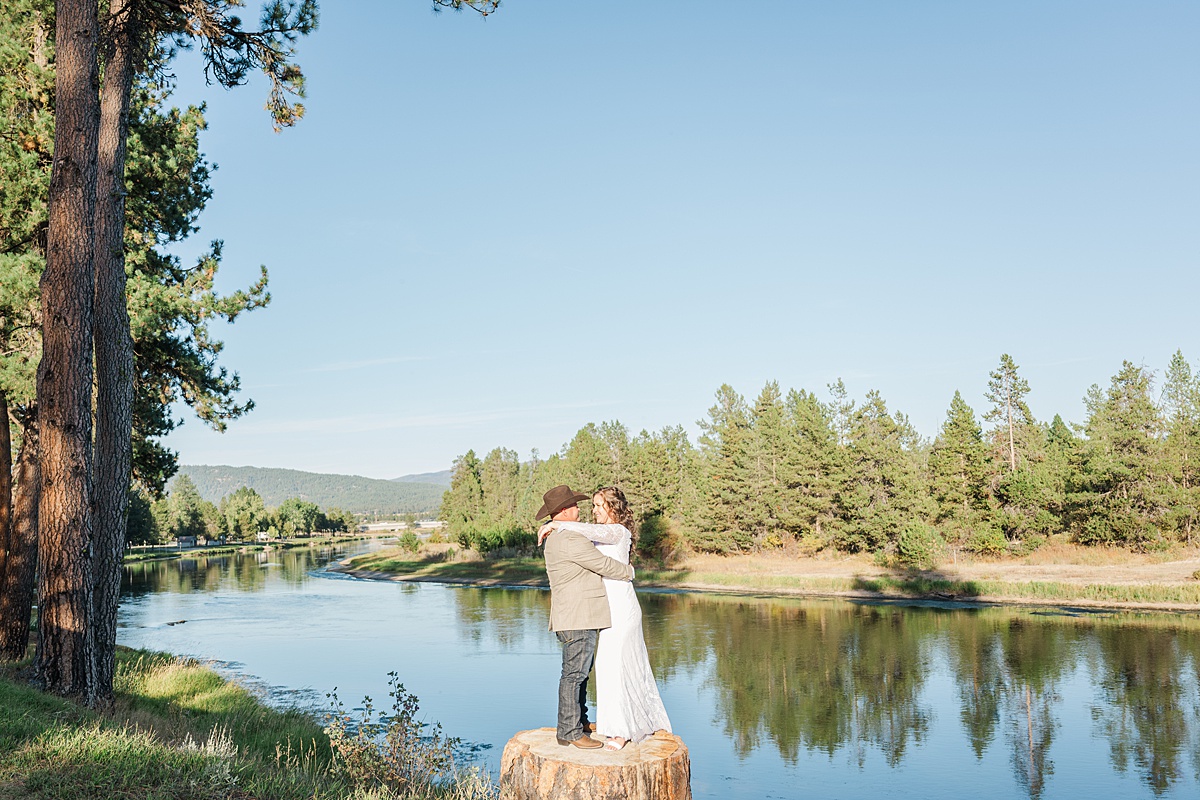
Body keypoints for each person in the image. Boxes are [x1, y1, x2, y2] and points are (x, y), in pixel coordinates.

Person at [539, 487, 672, 751]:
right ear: (566, 510)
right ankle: (598, 726)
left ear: (613, 508)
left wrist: (553, 523)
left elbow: (591, 534)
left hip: (619, 606)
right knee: (599, 669)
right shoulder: (569, 535)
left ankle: (619, 729)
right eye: (590, 505)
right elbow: (595, 552)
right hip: (596, 610)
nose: (592, 509)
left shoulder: (616, 531)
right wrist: (556, 524)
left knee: (614, 667)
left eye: (599, 505)